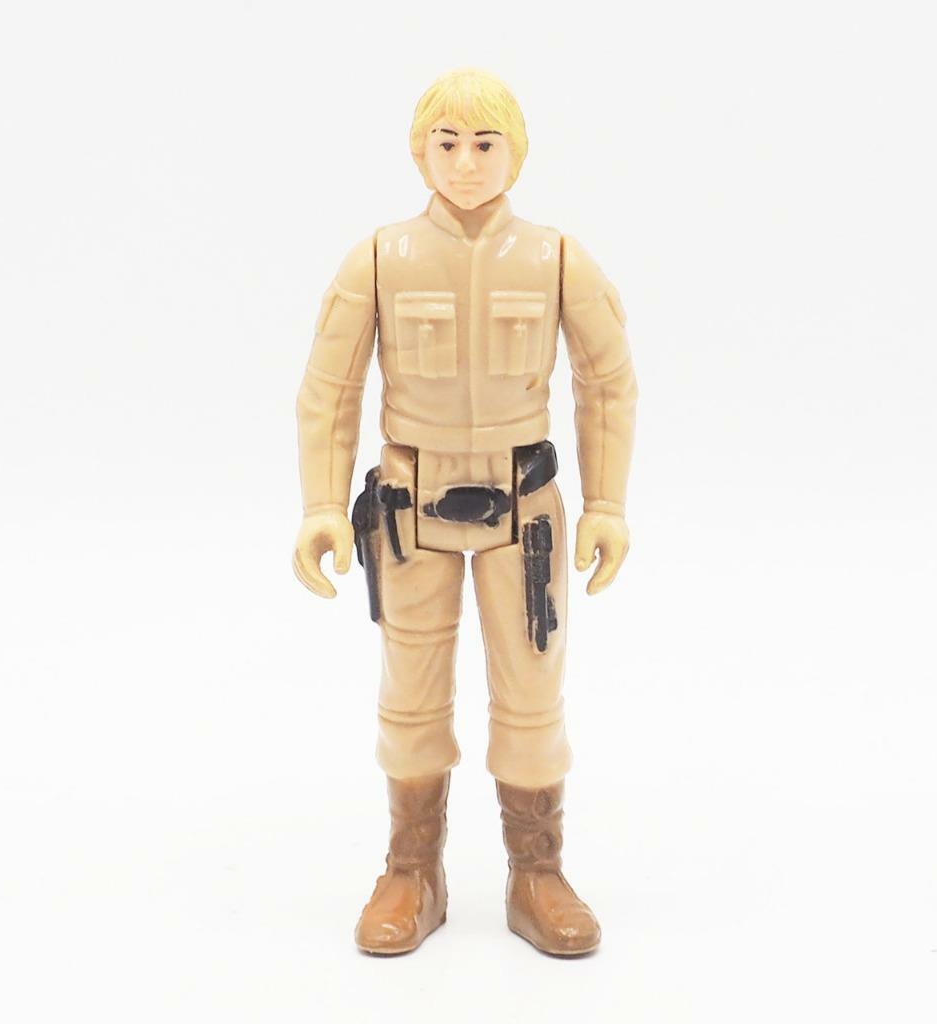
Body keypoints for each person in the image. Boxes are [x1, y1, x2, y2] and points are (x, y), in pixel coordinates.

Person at [293, 69, 637, 956]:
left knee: (532, 696)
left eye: (486, 143)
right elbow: (329, 390)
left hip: (524, 508)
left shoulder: (557, 258)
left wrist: (606, 503)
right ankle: (412, 868)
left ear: (517, 152)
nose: (467, 162)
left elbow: (607, 383)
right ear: (420, 154)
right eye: (447, 143)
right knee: (410, 696)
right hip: (411, 507)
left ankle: (537, 870)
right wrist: (322, 504)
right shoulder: (380, 259)